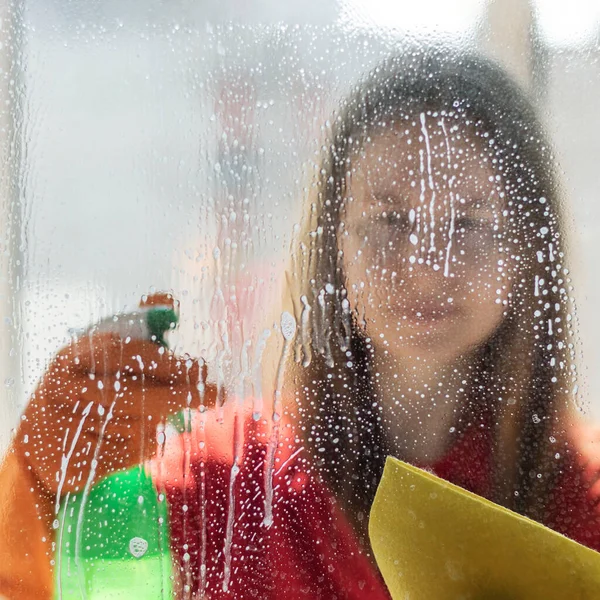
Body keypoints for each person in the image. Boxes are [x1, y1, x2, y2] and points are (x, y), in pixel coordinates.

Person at [1, 50, 600, 600]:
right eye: (389, 220)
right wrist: (39, 480)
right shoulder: (222, 482)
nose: (423, 267)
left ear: (528, 249)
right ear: (331, 245)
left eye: (468, 225)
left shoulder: (587, 502)